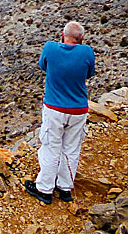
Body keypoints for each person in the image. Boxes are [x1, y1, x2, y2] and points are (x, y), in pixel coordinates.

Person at [25, 21, 95, 204]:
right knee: (71, 149)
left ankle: (44, 189)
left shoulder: (50, 47)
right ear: (82, 39)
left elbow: (43, 66)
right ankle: (65, 189)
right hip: (79, 109)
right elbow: (89, 74)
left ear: (62, 35)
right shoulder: (87, 51)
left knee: (50, 147)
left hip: (55, 108)